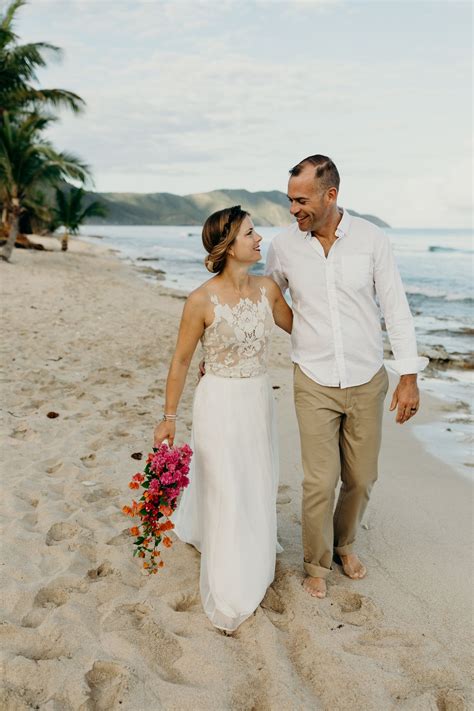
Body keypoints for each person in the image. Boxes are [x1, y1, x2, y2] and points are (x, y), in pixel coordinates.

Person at [265, 154, 428, 600]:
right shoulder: (283, 246)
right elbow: (266, 294)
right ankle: (316, 562)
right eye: (290, 200)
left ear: (330, 195)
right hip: (313, 377)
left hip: (366, 378)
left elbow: (395, 308)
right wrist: (300, 329)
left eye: (301, 200)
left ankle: (345, 545)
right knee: (319, 480)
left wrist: (408, 377)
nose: (294, 209)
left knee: (361, 477)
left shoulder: (372, 240)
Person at [154, 205, 293, 632]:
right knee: (227, 481)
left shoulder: (268, 289)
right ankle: (234, 575)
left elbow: (302, 328)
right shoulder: (200, 299)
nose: (258, 239)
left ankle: (251, 538)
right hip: (218, 400)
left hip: (256, 397)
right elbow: (180, 362)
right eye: (250, 233)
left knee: (255, 475)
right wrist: (169, 417)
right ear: (228, 245)